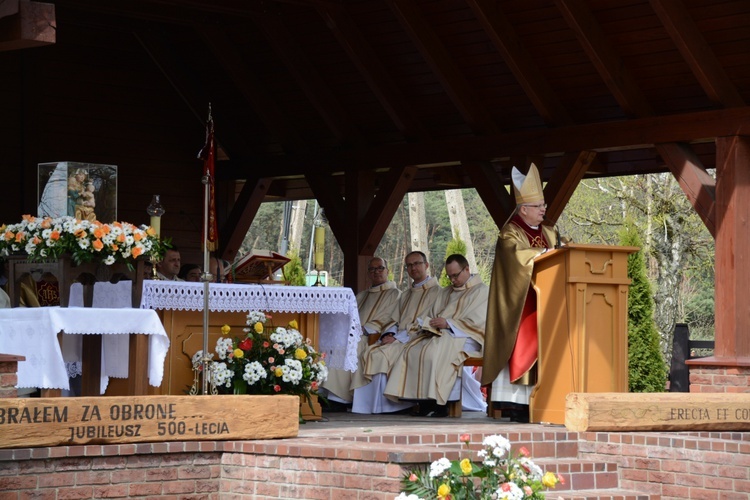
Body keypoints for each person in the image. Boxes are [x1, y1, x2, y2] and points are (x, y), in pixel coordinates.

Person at [483, 163, 559, 423]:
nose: (544, 210)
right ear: (524, 209)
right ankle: (517, 404)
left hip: (549, 302)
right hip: (521, 305)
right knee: (525, 343)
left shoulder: (550, 232)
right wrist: (544, 254)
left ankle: (546, 396)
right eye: (539, 206)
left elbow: (561, 254)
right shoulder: (509, 233)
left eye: (544, 206)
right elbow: (515, 257)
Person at [384, 254, 488, 417]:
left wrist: (448, 324)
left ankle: (443, 403)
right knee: (414, 348)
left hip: (468, 336)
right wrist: (429, 324)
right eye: (449, 276)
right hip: (442, 335)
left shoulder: (482, 291)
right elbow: (430, 314)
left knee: (436, 350)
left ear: (467, 269)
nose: (453, 280)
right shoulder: (446, 292)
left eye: (456, 275)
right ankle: (423, 402)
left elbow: (479, 321)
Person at [351, 251, 441, 414]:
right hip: (400, 338)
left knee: (379, 354)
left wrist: (399, 338)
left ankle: (391, 406)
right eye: (409, 265)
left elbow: (428, 321)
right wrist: (389, 334)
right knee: (372, 352)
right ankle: (373, 406)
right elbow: (394, 319)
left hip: (419, 338)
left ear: (426, 265)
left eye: (417, 264)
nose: (413, 268)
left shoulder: (438, 292)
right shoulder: (406, 294)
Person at [320, 257, 401, 409]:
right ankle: (325, 393)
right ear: (368, 273)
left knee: (349, 346)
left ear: (387, 271)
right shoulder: (362, 295)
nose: (376, 272)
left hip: (370, 337)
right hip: (353, 334)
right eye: (372, 269)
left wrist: (365, 329)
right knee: (332, 343)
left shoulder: (395, 294)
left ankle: (340, 398)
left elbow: (390, 318)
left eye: (380, 268)